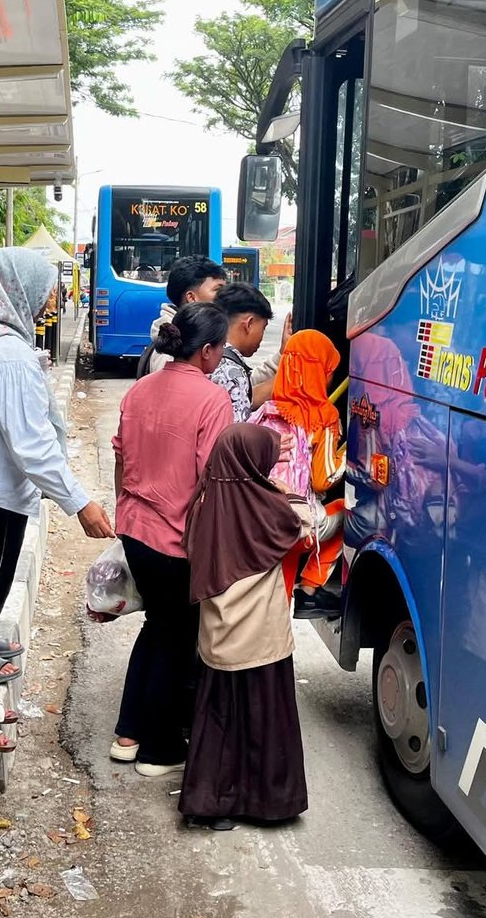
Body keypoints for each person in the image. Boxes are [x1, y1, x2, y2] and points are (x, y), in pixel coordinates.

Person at [0, 248, 114, 752]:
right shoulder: (5, 352)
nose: (51, 297)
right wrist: (79, 502)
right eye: (45, 286)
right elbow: (31, 445)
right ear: (15, 287)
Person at [112, 302, 234, 775]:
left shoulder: (141, 387)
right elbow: (212, 478)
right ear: (206, 350)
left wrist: (125, 509)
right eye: (220, 347)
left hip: (135, 528)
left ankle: (128, 733)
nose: (221, 355)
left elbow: (121, 459)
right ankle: (159, 749)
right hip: (176, 539)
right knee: (177, 637)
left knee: (157, 629)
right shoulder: (211, 399)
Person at [180, 424, 310, 829]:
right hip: (262, 641)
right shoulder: (268, 508)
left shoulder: (204, 504)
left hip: (219, 638)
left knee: (220, 723)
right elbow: (304, 522)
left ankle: (212, 805)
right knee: (264, 720)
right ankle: (268, 803)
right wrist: (277, 482)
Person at [251, 330, 346, 621]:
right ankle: (310, 589)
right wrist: (350, 453)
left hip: (257, 521)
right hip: (296, 526)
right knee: (350, 512)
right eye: (328, 370)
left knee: (270, 603)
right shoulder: (323, 416)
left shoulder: (264, 411)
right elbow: (323, 479)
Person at [143, 256, 227, 375]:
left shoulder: (197, 334)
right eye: (218, 290)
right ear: (192, 298)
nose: (225, 296)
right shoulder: (170, 350)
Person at [209, 282, 274, 421]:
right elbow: (237, 437)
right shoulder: (232, 372)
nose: (262, 335)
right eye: (263, 327)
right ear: (249, 324)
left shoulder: (207, 356)